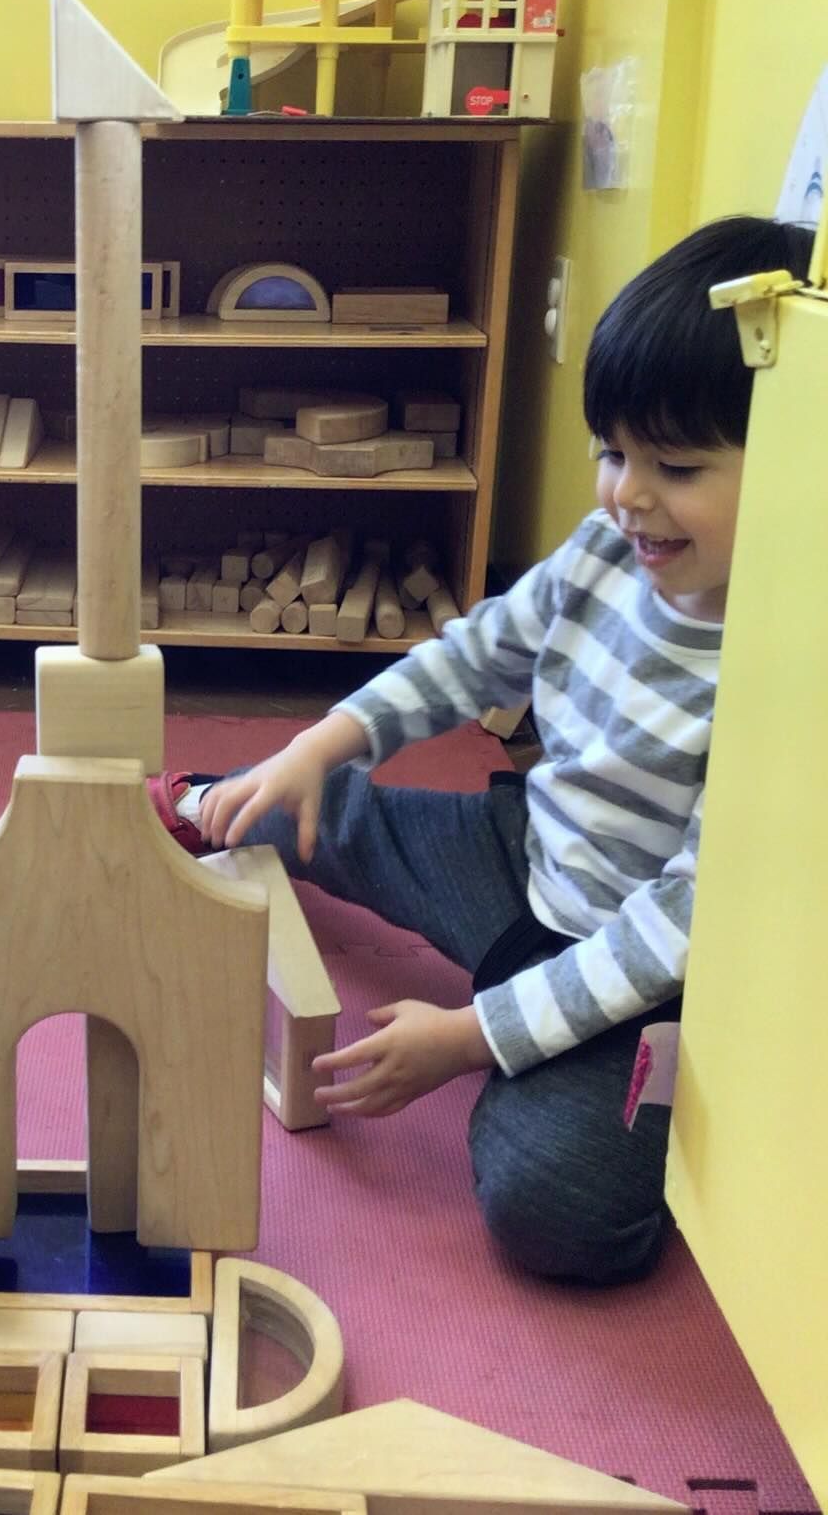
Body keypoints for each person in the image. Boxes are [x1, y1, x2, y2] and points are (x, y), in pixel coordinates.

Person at [150, 215, 814, 1287]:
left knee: (558, 1211)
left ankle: (617, 1088)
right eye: (613, 452)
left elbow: (672, 932)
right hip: (529, 860)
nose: (629, 494)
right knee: (304, 803)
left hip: (647, 983)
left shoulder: (784, 671)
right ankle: (221, 797)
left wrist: (472, 1038)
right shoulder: (608, 549)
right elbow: (471, 658)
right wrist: (323, 741)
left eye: (677, 465)